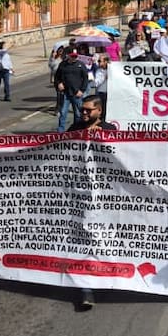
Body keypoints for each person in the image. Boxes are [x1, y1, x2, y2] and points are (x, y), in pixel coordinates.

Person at [69, 94, 116, 310]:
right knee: (84, 239)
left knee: (101, 238)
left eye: (89, 110)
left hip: (104, 196)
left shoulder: (110, 130)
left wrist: (103, 138)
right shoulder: (75, 128)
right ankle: (86, 288)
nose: (84, 113)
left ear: (100, 111)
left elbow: (120, 159)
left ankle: (107, 276)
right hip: (79, 194)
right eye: (83, 109)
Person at [54, 48, 89, 132]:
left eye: (75, 56)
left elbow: (85, 78)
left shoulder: (80, 65)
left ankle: (76, 130)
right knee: (63, 113)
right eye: (72, 56)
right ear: (68, 56)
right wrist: (59, 83)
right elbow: (57, 77)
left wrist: (82, 90)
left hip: (77, 94)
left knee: (78, 113)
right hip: (66, 93)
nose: (74, 58)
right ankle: (60, 132)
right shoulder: (63, 65)